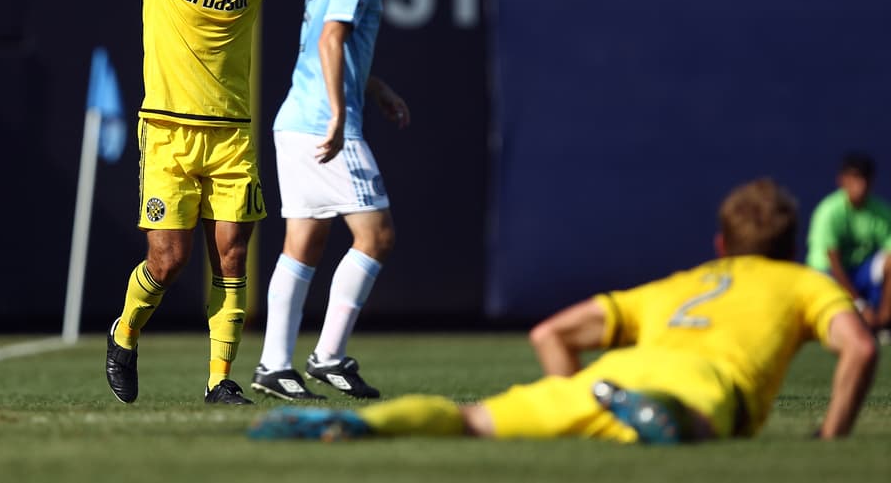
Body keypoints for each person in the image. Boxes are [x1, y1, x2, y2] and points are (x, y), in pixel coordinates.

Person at [12, 0, 445, 406]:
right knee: (167, 260)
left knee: (233, 256)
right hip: (168, 133)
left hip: (231, 136)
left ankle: (220, 379)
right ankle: (124, 332)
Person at [250, 178, 879, 444]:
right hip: (701, 385)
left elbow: (553, 331)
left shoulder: (682, 284)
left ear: (721, 244)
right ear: (789, 246)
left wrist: (575, 395)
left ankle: (363, 425)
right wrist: (831, 435)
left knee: (471, 421)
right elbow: (860, 346)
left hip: (608, 378)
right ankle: (659, 418)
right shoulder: (800, 282)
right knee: (699, 428)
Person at [250, 0, 410, 403]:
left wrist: (375, 87)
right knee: (377, 236)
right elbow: (329, 38)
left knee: (304, 243)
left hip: (295, 120)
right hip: (322, 122)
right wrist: (341, 114)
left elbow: (332, 44)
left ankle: (275, 364)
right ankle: (329, 355)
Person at [806, 152, 891, 332]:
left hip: (860, 274)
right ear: (842, 180)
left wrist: (883, 315)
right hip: (828, 275)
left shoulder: (881, 211)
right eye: (854, 177)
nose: (860, 184)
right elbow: (833, 264)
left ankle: (885, 322)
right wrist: (859, 305)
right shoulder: (828, 212)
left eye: (864, 178)